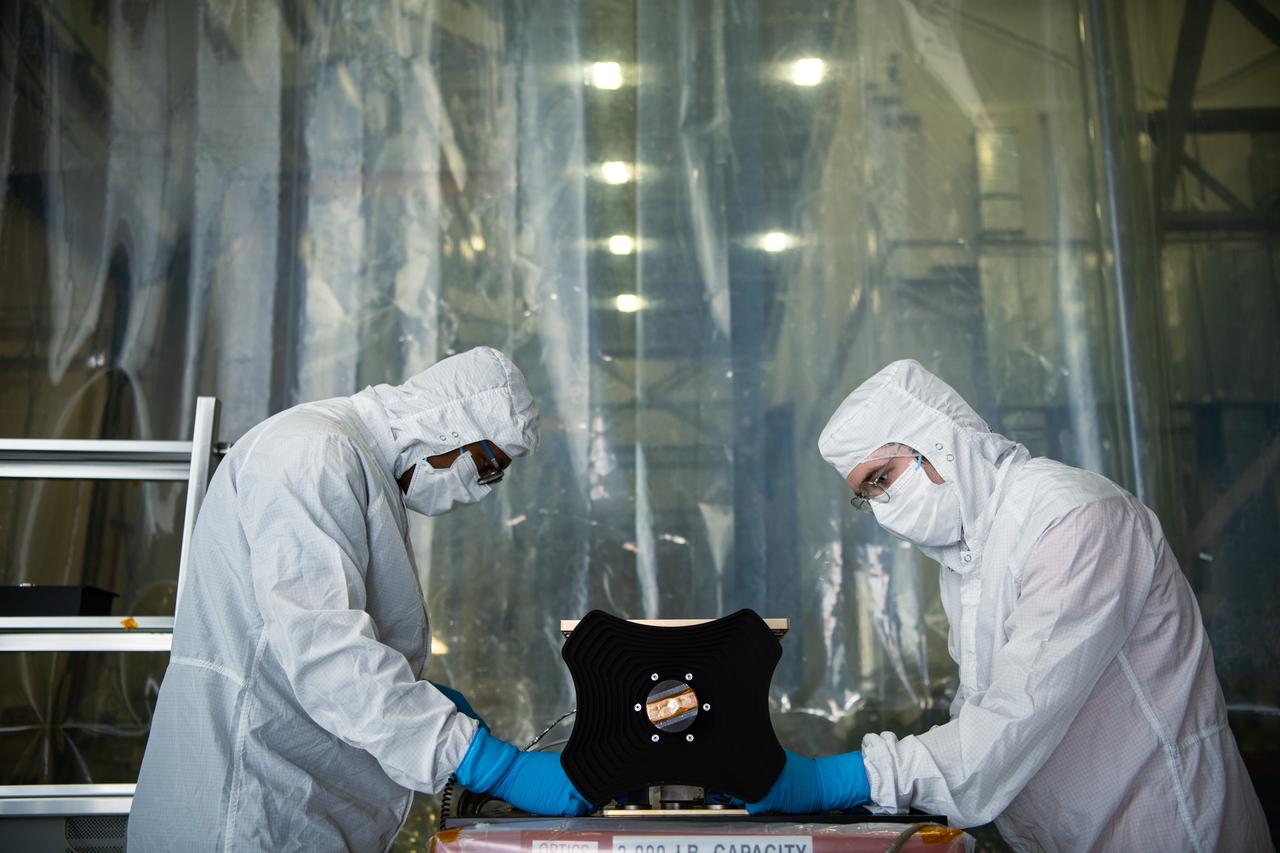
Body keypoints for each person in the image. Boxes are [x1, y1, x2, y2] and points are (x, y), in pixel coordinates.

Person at [748, 359, 1272, 852]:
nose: (883, 511)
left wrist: (844, 778)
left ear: (937, 441)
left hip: (1162, 830)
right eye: (868, 496)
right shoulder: (970, 555)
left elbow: (1011, 721)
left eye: (882, 479)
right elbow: (978, 715)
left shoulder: (1072, 521)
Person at [128, 347, 589, 852]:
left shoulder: (352, 460)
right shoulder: (312, 455)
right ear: (449, 426)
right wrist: (489, 765)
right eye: (485, 464)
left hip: (286, 789)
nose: (479, 488)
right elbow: (329, 657)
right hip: (248, 803)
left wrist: (427, 702)